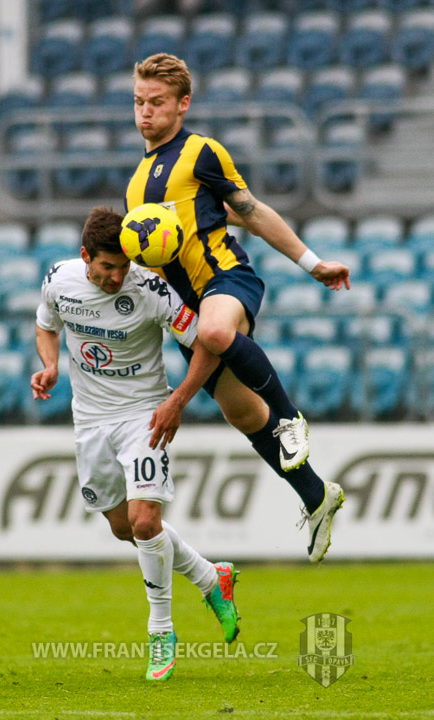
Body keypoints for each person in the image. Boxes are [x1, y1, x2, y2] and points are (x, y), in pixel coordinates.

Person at [125, 53, 350, 563]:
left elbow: (251, 210)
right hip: (186, 314)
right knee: (243, 412)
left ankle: (291, 419)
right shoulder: (136, 184)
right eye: (139, 102)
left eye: (157, 102)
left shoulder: (201, 151)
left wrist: (312, 263)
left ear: (183, 104)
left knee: (217, 332)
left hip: (227, 280)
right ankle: (317, 496)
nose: (146, 112)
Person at [31, 207, 240, 682]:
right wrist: (50, 365)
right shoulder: (59, 279)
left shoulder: (149, 289)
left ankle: (161, 631)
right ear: (86, 256)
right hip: (90, 420)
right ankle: (211, 577)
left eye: (123, 267)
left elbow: (208, 344)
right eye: (107, 267)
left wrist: (176, 402)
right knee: (125, 528)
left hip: (144, 415)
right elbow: (46, 325)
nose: (116, 277)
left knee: (146, 522)